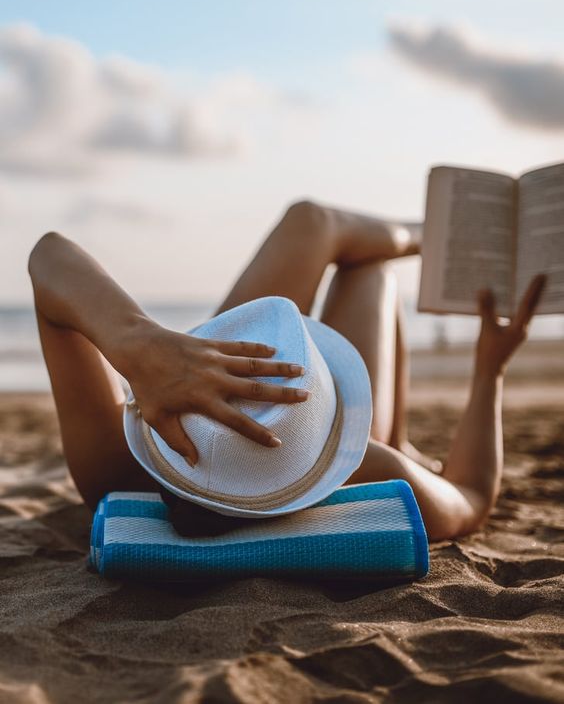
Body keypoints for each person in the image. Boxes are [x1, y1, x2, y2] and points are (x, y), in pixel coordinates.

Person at [27, 200, 546, 541]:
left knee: (311, 223)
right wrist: (491, 369)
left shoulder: (119, 471)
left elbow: (49, 256)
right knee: (367, 269)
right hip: (369, 452)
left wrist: (139, 343)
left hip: (197, 403)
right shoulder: (372, 472)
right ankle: (434, 238)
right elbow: (473, 495)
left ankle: (429, 236)